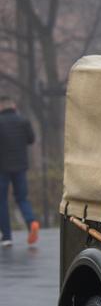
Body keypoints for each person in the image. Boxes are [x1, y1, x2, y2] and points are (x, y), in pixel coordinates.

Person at [0, 96, 38, 247]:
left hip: (2, 168)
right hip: (20, 167)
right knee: (22, 198)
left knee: (2, 201)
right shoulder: (23, 121)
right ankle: (31, 222)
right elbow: (31, 139)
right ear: (13, 106)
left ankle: (7, 236)